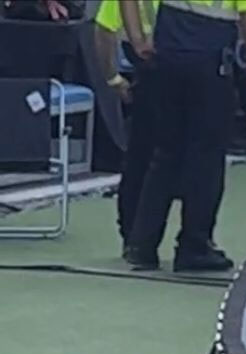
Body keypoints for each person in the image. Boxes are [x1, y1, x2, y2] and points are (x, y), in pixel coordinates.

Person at [122, 0, 246, 274]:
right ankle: (194, 245)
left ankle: (141, 245)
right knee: (207, 160)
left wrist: (137, 39)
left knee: (166, 152)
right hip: (210, 65)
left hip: (167, 57)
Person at [95, 0, 157, 256]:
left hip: (149, 77)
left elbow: (104, 30)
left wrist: (112, 77)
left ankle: (135, 239)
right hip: (176, 77)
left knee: (140, 159)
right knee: (149, 160)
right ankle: (194, 240)